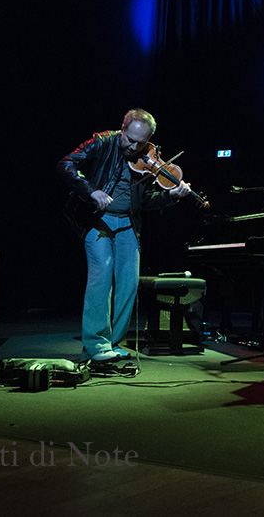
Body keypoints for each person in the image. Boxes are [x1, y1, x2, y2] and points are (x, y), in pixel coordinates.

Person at [58, 108, 194, 362]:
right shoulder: (102, 141)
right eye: (129, 139)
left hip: (128, 224)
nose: (133, 147)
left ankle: (113, 342)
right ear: (123, 129)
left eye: (141, 143)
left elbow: (145, 202)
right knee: (101, 279)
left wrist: (171, 197)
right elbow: (66, 164)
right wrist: (91, 192)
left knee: (128, 284)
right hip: (97, 220)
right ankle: (96, 345)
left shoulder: (148, 158)